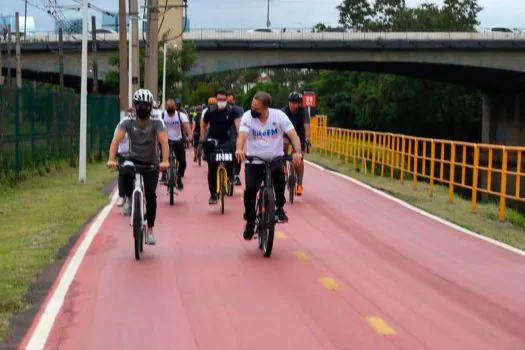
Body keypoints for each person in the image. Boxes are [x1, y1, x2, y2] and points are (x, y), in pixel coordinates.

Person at [235, 91, 302, 240]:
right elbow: (242, 137)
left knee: (280, 182)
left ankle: (279, 208)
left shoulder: (278, 116)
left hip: (275, 159)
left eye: (256, 108)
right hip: (255, 160)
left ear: (266, 109)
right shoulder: (247, 117)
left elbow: (293, 135)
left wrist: (297, 151)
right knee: (251, 190)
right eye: (252, 106)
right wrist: (239, 149)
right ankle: (250, 221)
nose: (253, 110)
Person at [107, 89, 169, 245]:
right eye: (140, 105)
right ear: (135, 106)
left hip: (151, 163)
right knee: (125, 170)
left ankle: (150, 230)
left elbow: (164, 142)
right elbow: (116, 141)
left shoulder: (157, 122)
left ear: (150, 107)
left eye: (146, 105)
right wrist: (111, 159)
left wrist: (165, 161)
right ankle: (128, 198)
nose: (143, 108)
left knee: (150, 195)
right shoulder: (127, 122)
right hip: (133, 160)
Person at [200, 89, 241, 204]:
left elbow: (239, 125)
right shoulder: (210, 111)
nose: (221, 101)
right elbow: (203, 125)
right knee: (212, 168)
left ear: (227, 100)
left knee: (232, 155)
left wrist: (239, 137)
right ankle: (213, 195)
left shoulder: (232, 111)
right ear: (216, 100)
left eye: (224, 100)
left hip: (226, 139)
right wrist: (203, 139)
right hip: (212, 139)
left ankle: (231, 175)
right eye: (219, 100)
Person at [282, 91, 311, 196]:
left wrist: (307, 139)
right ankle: (284, 162)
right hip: (287, 133)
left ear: (299, 103)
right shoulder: (284, 111)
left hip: (299, 135)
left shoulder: (303, 112)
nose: (294, 104)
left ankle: (299, 184)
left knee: (299, 159)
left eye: (296, 102)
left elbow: (307, 126)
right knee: (284, 143)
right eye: (292, 102)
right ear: (289, 102)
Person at [160, 98, 192, 190]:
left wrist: (190, 135)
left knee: (182, 161)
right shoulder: (162, 115)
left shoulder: (180, 115)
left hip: (178, 141)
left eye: (172, 107)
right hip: (166, 141)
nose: (170, 108)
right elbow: (156, 128)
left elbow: (186, 126)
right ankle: (164, 175)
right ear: (166, 107)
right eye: (168, 107)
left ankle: (178, 178)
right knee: (163, 159)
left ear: (175, 107)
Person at [116, 107, 135, 207]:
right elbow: (115, 142)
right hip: (123, 155)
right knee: (122, 173)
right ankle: (122, 196)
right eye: (128, 116)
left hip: (136, 155)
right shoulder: (120, 126)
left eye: (132, 116)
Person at [227, 92, 244, 186]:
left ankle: (236, 175)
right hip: (224, 136)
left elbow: (242, 123)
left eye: (231, 100)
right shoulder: (221, 110)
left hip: (235, 136)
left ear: (234, 100)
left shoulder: (239, 110)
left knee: (238, 155)